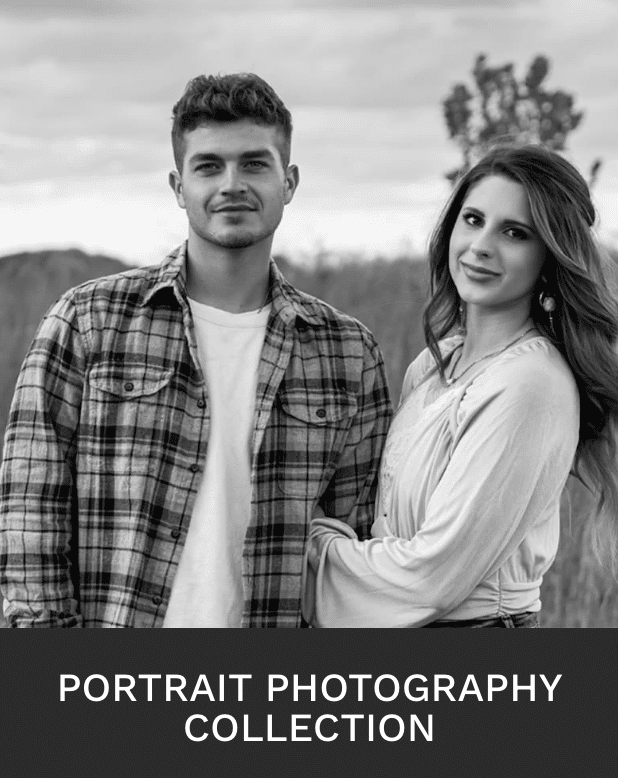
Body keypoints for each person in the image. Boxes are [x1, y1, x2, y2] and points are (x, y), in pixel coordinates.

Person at [0, 73, 392, 628]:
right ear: (178, 186)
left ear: (290, 181)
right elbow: (28, 515)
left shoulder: (347, 352)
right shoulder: (88, 321)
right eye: (209, 166)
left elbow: (354, 546)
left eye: (255, 164)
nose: (232, 184)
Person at [303, 144, 618, 628]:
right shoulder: (431, 366)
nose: (481, 246)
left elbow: (434, 577)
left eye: (515, 233)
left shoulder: (529, 383)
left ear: (550, 257)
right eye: (473, 220)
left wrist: (299, 545)